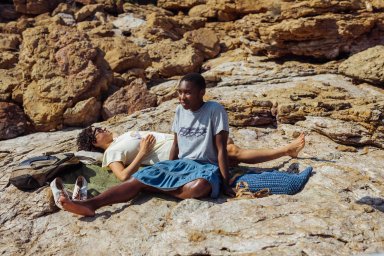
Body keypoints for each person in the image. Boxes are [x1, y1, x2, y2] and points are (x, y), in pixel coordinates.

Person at [60, 73, 305, 216]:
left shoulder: (215, 110)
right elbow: (175, 142)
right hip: (180, 161)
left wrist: (224, 178)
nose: (182, 97)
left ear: (201, 92)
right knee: (138, 179)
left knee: (199, 186)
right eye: (179, 93)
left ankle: (149, 187)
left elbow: (220, 149)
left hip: (204, 164)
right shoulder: (178, 111)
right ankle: (91, 204)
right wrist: (168, 167)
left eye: (187, 93)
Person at [76, 127, 305, 182]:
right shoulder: (111, 153)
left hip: (184, 141)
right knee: (232, 152)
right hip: (179, 154)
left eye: (100, 127)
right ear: (95, 143)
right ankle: (287, 150)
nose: (102, 129)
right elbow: (123, 176)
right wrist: (143, 153)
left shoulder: (121, 137)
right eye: (97, 132)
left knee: (226, 140)